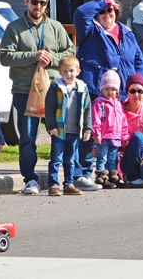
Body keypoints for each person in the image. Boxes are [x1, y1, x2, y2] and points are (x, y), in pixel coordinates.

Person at [0, 0, 74, 195]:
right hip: (25, 90)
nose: (38, 6)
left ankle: (59, 179)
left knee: (59, 135)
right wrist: (33, 55)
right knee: (28, 138)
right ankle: (30, 179)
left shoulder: (55, 27)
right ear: (26, 2)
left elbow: (70, 51)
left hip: (54, 90)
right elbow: (5, 56)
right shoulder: (15, 28)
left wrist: (52, 58)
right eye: (34, 2)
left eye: (42, 3)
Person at [74, 0, 143, 179]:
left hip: (121, 94)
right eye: (102, 11)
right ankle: (85, 174)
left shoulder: (127, 33)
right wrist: (103, 2)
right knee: (91, 133)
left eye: (110, 10)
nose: (106, 14)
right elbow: (81, 13)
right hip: (96, 91)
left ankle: (115, 172)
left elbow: (139, 62)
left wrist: (139, 88)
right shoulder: (90, 30)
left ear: (117, 11)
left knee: (117, 136)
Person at [44, 56, 92, 196]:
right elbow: (49, 108)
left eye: (71, 71)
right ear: (60, 72)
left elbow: (87, 109)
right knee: (56, 158)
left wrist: (88, 128)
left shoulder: (82, 88)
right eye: (65, 71)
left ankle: (69, 184)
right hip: (59, 130)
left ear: (78, 71)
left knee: (70, 159)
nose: (68, 74)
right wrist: (51, 126)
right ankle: (53, 184)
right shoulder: (55, 88)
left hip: (75, 130)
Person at [91, 71, 127, 189]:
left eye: (113, 89)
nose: (110, 92)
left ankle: (113, 176)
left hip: (115, 136)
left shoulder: (118, 104)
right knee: (102, 156)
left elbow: (123, 120)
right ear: (102, 89)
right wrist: (97, 132)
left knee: (113, 157)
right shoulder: (99, 103)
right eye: (107, 89)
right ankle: (101, 176)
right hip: (104, 135)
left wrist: (124, 135)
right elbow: (96, 119)